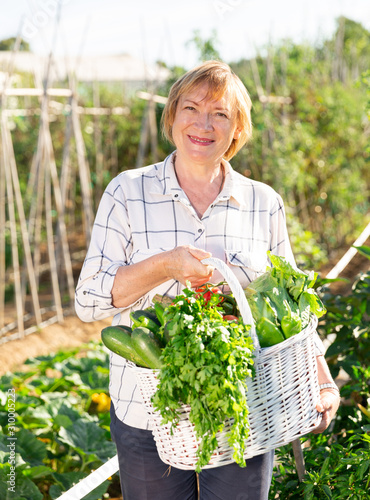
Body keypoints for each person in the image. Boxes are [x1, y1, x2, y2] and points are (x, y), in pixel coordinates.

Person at [75, 60, 340, 500]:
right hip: (148, 413)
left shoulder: (263, 203)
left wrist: (324, 382)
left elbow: (293, 311)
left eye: (220, 113)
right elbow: (89, 301)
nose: (203, 123)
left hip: (245, 406)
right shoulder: (127, 193)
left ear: (237, 129)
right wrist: (165, 266)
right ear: (172, 117)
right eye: (191, 108)